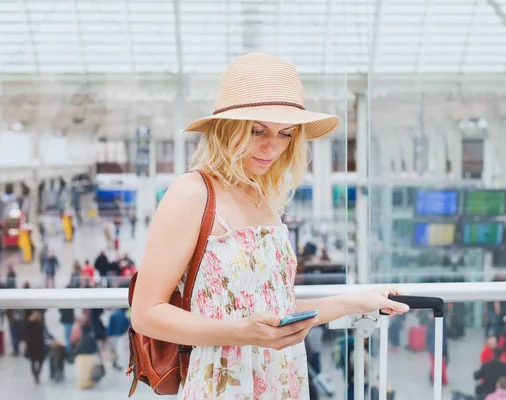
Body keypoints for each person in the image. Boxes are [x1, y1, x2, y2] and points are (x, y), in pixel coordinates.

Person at [130, 52, 410, 399]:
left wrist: (359, 301)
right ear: (225, 129)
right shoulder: (192, 193)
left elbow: (277, 313)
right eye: (257, 130)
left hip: (281, 378)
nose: (271, 146)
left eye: (286, 134)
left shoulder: (263, 197)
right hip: (224, 383)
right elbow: (145, 314)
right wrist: (241, 333)